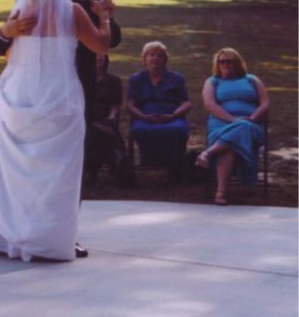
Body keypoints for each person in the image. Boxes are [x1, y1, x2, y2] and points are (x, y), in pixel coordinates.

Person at [0, 0, 111, 262]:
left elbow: (10, 56)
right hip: (59, 96)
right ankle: (51, 238)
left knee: (14, 172)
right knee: (58, 174)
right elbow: (101, 46)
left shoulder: (22, 12)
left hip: (23, 96)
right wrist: (104, 17)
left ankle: (8, 235)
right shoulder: (72, 11)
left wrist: (9, 32)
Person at [0, 0, 121, 121]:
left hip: (80, 84)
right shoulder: (29, 1)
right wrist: (6, 31)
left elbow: (112, 41)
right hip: (31, 89)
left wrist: (106, 17)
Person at [196, 47, 269, 205]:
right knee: (230, 146)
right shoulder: (213, 81)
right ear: (217, 64)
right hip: (220, 124)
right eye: (222, 61)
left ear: (237, 63)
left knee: (242, 129)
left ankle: (208, 154)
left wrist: (252, 118)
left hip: (251, 125)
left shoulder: (251, 79)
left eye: (230, 61)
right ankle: (221, 192)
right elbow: (209, 105)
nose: (226, 65)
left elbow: (265, 104)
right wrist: (232, 120)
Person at [127, 41, 191, 180]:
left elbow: (186, 103)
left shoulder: (176, 78)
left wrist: (173, 115)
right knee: (140, 130)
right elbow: (130, 105)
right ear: (144, 59)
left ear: (165, 60)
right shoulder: (136, 79)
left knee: (177, 130)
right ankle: (149, 162)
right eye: (151, 55)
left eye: (159, 56)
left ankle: (174, 167)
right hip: (145, 116)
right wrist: (143, 117)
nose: (155, 58)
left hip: (171, 116)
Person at [85, 54, 128, 186]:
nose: (98, 59)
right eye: (95, 56)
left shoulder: (113, 81)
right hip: (86, 119)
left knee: (100, 134)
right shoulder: (83, 80)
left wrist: (111, 117)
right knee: (95, 133)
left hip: (105, 120)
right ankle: (97, 170)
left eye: (101, 56)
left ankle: (91, 171)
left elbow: (115, 105)